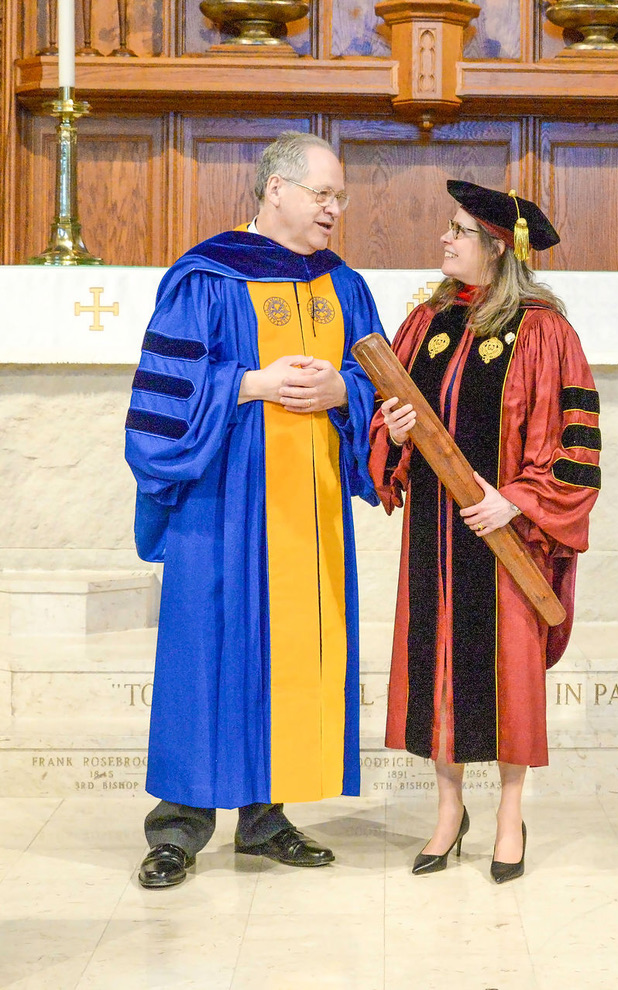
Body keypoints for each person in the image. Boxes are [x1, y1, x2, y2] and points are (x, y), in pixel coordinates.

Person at [125, 131, 384, 889]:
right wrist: (249, 383)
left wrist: (343, 391)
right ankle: (178, 827)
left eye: (340, 197)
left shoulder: (344, 286)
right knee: (207, 651)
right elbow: (165, 391)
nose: (334, 209)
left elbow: (379, 381)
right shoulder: (206, 277)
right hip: (223, 504)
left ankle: (266, 817)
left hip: (311, 512)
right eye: (322, 193)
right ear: (276, 188)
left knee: (296, 654)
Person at [369, 180, 600, 884]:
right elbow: (385, 416)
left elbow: (574, 443)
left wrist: (519, 502)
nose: (444, 238)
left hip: (505, 540)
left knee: (506, 680)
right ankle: (448, 813)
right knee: (438, 669)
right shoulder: (425, 323)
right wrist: (393, 431)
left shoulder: (543, 331)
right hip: (435, 535)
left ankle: (508, 817)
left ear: (499, 248)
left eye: (459, 230)